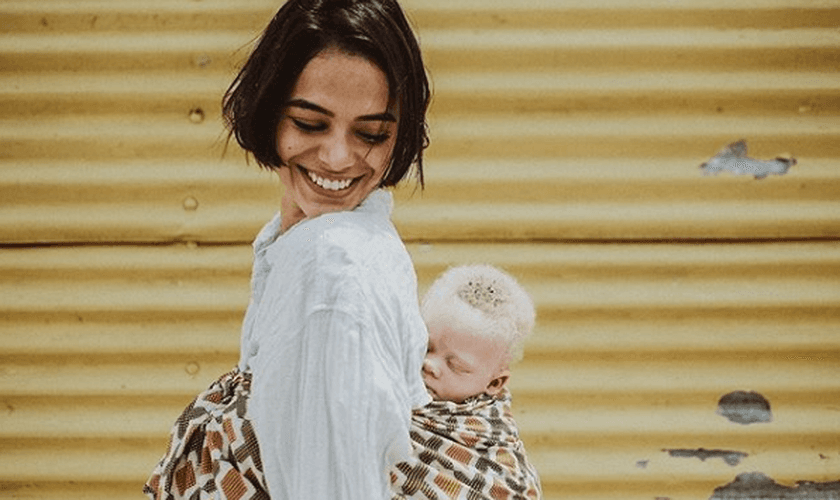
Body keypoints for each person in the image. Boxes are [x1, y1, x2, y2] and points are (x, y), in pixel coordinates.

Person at [144, 1, 432, 499]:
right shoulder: (306, 240)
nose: (339, 157)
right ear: (268, 108)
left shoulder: (334, 267)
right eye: (309, 123)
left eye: (371, 133)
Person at [391, 265, 543, 499]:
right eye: (425, 347)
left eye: (456, 366)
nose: (430, 364)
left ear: (494, 384)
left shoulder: (503, 473)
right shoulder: (382, 395)